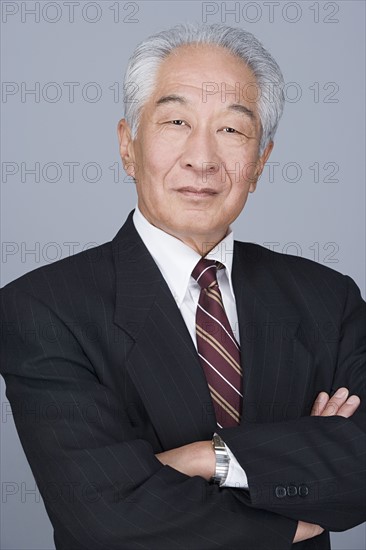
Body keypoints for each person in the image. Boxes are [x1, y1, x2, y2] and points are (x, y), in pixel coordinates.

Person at [1, 23, 365, 550]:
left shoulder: (327, 299)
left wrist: (208, 459)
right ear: (128, 146)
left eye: (233, 131)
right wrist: (291, 511)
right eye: (176, 121)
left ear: (260, 161)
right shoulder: (42, 309)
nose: (202, 159)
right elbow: (105, 518)